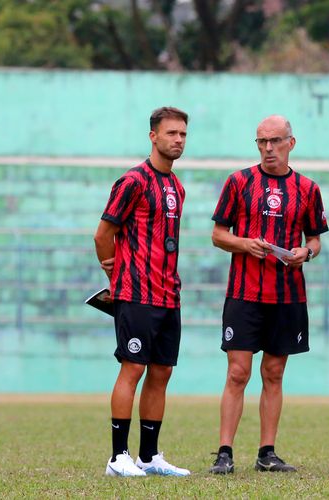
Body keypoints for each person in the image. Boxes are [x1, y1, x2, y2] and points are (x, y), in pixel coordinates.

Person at [208, 115, 329, 474]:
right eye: (261, 142)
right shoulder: (238, 182)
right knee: (238, 372)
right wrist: (244, 243)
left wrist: (304, 253)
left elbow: (316, 240)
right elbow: (218, 235)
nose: (268, 148)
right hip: (245, 293)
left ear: (291, 143)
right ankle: (225, 453)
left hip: (287, 296)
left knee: (274, 372)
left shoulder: (307, 189)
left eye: (275, 141)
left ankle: (267, 453)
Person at [94, 106, 191, 477]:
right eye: (171, 133)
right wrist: (115, 272)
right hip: (136, 294)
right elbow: (103, 234)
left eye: (182, 134)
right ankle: (118, 457)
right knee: (132, 367)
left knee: (161, 372)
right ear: (153, 136)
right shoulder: (132, 181)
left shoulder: (176, 186)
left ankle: (148, 457)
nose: (177, 140)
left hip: (169, 294)